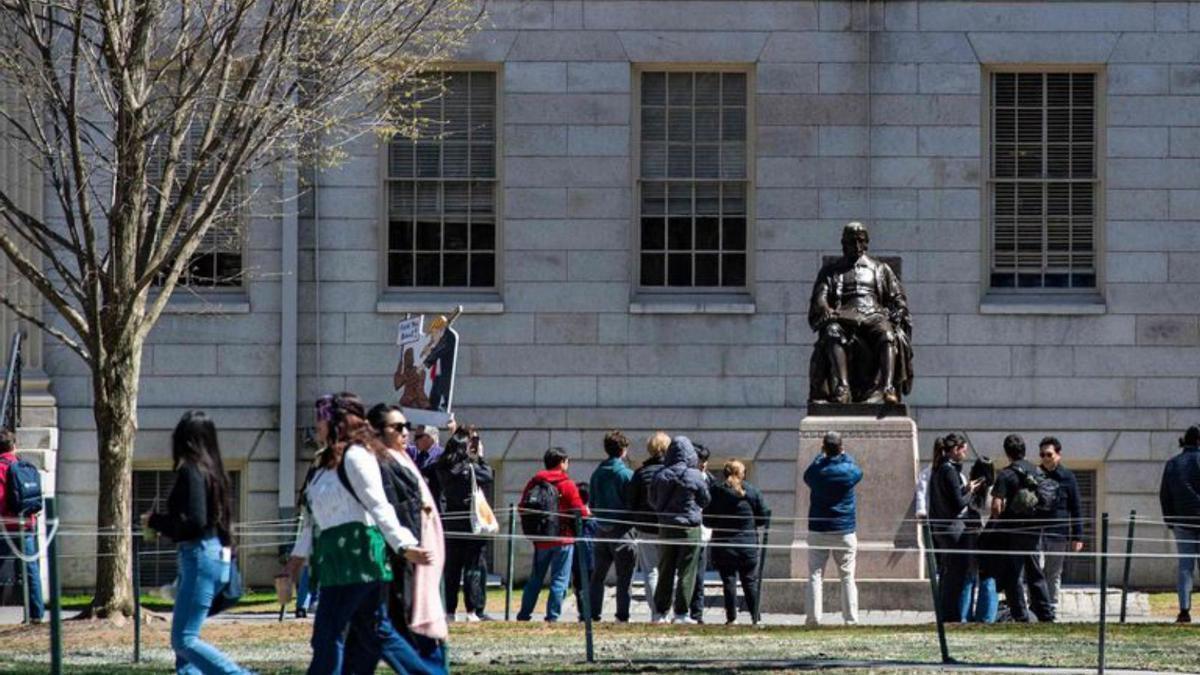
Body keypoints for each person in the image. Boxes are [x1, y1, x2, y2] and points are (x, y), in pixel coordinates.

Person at [283, 393, 437, 674]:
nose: (317, 425)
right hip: (334, 561)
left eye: (321, 419)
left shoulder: (357, 456)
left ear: (339, 422)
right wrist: (296, 558)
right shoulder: (322, 463)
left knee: (329, 634)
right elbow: (311, 517)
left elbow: (379, 505)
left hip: (360, 559)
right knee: (377, 633)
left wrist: (404, 545)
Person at [140, 411, 247, 674]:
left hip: (199, 557)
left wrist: (156, 522)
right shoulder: (215, 472)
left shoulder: (191, 471)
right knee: (185, 646)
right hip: (213, 555)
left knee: (184, 639)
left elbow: (195, 522)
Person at [366, 403, 448, 670]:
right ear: (377, 432)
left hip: (418, 560)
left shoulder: (401, 459)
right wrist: (408, 548)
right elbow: (392, 511)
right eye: (397, 427)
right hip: (404, 561)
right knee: (413, 635)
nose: (406, 433)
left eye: (407, 427)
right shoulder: (382, 464)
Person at [430, 424, 495, 622]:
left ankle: (449, 610)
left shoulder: (442, 467)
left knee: (452, 568)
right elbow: (488, 475)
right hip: (471, 522)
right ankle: (472, 610)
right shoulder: (470, 468)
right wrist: (480, 458)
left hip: (451, 521)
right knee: (473, 567)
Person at [517, 447, 589, 623]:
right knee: (560, 580)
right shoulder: (567, 484)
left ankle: (524, 615)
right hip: (563, 539)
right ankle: (552, 617)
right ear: (562, 462)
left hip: (541, 539)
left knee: (535, 579)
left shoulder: (534, 482)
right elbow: (580, 511)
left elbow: (522, 507)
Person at [991, 434, 1055, 623]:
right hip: (1034, 531)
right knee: (1036, 574)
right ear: (1025, 450)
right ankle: (1046, 614)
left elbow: (996, 506)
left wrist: (998, 520)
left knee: (1014, 575)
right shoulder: (1037, 471)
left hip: (1013, 532)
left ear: (1007, 453)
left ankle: (1020, 615)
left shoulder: (1005, 474)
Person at [803, 431, 863, 626]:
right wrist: (844, 454)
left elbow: (808, 474)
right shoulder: (848, 471)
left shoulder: (817, 472)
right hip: (844, 529)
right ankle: (851, 619)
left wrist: (821, 456)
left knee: (815, 575)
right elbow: (857, 470)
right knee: (847, 576)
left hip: (819, 529)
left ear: (824, 448)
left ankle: (813, 619)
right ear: (840, 448)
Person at [649, 435, 711, 624]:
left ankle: (660, 612)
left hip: (666, 527)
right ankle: (682, 613)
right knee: (687, 571)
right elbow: (705, 500)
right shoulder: (695, 475)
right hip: (689, 528)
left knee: (665, 568)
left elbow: (652, 500)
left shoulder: (660, 475)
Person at [927, 432, 986, 623]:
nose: (965, 454)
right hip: (954, 530)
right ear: (955, 450)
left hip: (941, 528)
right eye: (963, 450)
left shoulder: (938, 469)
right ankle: (951, 616)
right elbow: (959, 503)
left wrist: (965, 488)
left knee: (947, 573)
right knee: (955, 576)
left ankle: (945, 614)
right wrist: (971, 491)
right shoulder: (949, 471)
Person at [704, 460, 770, 625]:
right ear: (743, 473)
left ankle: (731, 619)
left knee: (729, 581)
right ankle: (756, 619)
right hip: (748, 544)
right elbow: (763, 517)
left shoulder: (717, 492)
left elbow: (707, 519)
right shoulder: (752, 491)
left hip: (724, 544)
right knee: (750, 582)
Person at [588, 430, 636, 623]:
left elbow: (591, 503)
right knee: (624, 576)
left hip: (601, 529)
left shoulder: (597, 473)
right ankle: (622, 615)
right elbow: (632, 503)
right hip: (622, 530)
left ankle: (593, 613)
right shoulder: (626, 475)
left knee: (597, 575)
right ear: (623, 450)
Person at [0, 429, 43, 624]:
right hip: (26, 523)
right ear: (14, 446)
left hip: (5, 525)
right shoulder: (21, 465)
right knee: (31, 568)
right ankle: (36, 615)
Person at [1036, 436, 1084, 612]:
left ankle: (1052, 607)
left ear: (1058, 454)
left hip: (1058, 533)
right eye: (1042, 455)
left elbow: (1076, 507)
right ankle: (1037, 606)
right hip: (1037, 531)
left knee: (1053, 572)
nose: (1045, 458)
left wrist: (1078, 536)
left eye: (1048, 454)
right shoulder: (1035, 474)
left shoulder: (1068, 477)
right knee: (1036, 570)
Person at [1159, 425, 1200, 623]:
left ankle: (1184, 610)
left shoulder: (1173, 464)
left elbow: (1164, 494)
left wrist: (1170, 520)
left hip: (1181, 522)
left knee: (1185, 567)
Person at [628, 431, 669, 621]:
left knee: (651, 572)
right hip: (668, 528)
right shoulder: (672, 472)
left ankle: (657, 614)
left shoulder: (640, 473)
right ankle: (667, 611)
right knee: (669, 571)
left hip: (645, 527)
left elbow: (631, 501)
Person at [688, 443, 715, 623]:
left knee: (699, 576)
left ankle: (697, 614)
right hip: (689, 529)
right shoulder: (688, 477)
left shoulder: (710, 480)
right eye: (700, 460)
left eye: (706, 460)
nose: (703, 464)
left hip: (704, 531)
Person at [570, 482, 598, 621]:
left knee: (580, 587)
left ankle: (583, 613)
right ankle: (592, 612)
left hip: (577, 557)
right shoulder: (594, 517)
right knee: (592, 586)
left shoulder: (573, 516)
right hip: (593, 556)